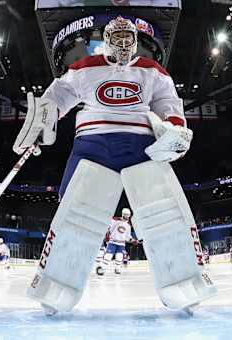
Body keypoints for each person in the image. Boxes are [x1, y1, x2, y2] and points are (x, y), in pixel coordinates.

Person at [14, 16, 215, 315]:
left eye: (128, 37)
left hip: (140, 144)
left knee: (164, 212)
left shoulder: (152, 71)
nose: (123, 43)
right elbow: (58, 96)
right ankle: (55, 285)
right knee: (73, 211)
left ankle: (183, 282)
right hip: (92, 143)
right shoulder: (84, 67)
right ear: (105, 39)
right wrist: (43, 121)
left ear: (135, 40)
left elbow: (168, 103)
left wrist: (174, 129)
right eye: (117, 37)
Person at [96, 208, 136, 275]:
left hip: (121, 244)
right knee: (108, 256)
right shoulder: (114, 220)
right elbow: (108, 228)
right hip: (112, 242)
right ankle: (101, 268)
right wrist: (107, 235)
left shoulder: (128, 225)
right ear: (123, 214)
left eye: (128, 215)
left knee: (119, 256)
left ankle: (117, 268)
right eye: (126, 215)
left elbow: (128, 237)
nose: (127, 217)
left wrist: (133, 240)